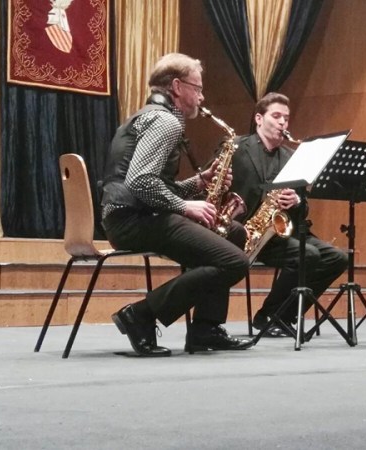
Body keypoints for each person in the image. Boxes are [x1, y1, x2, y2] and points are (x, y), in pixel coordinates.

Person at [100, 53, 254, 356]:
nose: (201, 96)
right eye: (197, 88)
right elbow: (141, 181)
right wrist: (185, 206)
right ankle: (141, 314)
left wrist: (198, 183)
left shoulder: (144, 115)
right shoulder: (165, 121)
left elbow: (152, 184)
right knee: (235, 261)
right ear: (176, 86)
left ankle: (205, 329)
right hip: (134, 220)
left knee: (233, 233)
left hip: (129, 215)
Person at [230, 92, 349, 337]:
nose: (283, 122)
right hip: (246, 231)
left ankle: (282, 314)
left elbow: (303, 208)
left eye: (286, 117)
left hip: (283, 231)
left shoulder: (292, 157)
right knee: (307, 254)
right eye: (276, 116)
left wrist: (296, 200)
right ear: (259, 119)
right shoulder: (237, 148)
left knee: (337, 258)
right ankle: (269, 317)